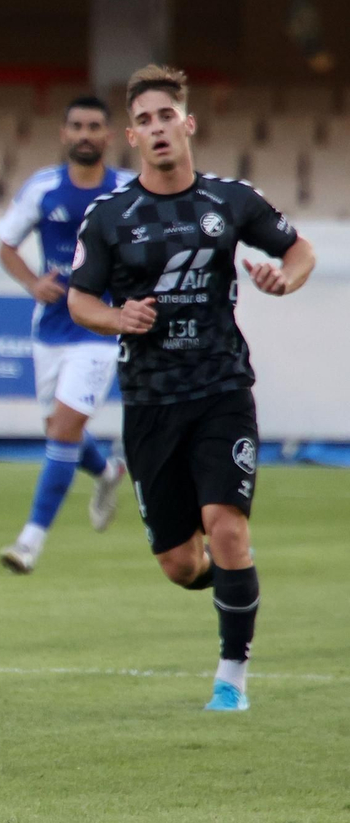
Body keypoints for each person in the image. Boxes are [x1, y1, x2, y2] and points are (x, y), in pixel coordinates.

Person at [68, 65, 315, 712]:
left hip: (220, 390)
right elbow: (79, 300)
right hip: (150, 403)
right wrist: (117, 317)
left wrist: (286, 280)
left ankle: (231, 676)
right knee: (182, 564)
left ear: (188, 123)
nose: (157, 129)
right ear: (131, 135)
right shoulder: (110, 217)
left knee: (226, 527)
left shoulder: (229, 202)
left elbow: (300, 251)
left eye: (165, 117)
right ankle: (231, 578)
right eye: (144, 121)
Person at [0, 96, 135, 574]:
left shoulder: (128, 190)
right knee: (57, 429)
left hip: (100, 326)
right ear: (63, 133)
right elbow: (6, 245)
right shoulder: (43, 188)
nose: (85, 134)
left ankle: (30, 542)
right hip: (50, 328)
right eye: (77, 126)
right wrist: (32, 283)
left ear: (109, 136)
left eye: (95, 126)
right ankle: (108, 470)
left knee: (65, 429)